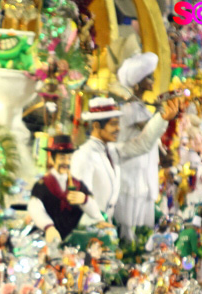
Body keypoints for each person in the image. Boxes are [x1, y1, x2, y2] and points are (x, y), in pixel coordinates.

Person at [72, 96, 179, 224]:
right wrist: (99, 220)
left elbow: (142, 144)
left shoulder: (112, 151)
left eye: (118, 123)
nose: (118, 128)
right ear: (96, 126)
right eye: (113, 124)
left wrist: (162, 119)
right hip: (88, 228)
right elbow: (80, 197)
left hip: (105, 227)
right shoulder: (84, 155)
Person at [115, 52, 164, 242]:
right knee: (129, 209)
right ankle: (127, 245)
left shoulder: (141, 106)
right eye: (148, 78)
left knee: (140, 205)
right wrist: (163, 113)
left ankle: (136, 245)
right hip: (131, 165)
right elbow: (150, 131)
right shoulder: (130, 108)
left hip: (143, 165)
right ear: (138, 82)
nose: (152, 80)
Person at [28, 135, 107, 244]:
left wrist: (85, 200)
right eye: (62, 158)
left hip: (72, 241)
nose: (66, 162)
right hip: (45, 239)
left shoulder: (77, 184)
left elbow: (93, 207)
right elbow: (35, 208)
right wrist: (48, 226)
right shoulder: (43, 185)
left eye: (69, 158)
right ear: (52, 159)